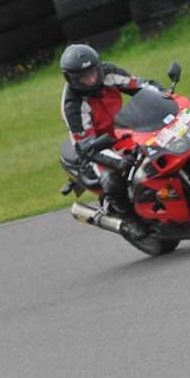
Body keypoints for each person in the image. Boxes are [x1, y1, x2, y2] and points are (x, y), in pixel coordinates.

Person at [59, 43, 156, 238]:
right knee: (112, 179)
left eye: (93, 72)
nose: (92, 78)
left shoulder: (108, 72)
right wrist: (118, 162)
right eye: (84, 77)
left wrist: (166, 97)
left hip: (123, 131)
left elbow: (141, 86)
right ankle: (128, 218)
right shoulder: (73, 105)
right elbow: (86, 145)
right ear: (72, 79)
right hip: (96, 148)